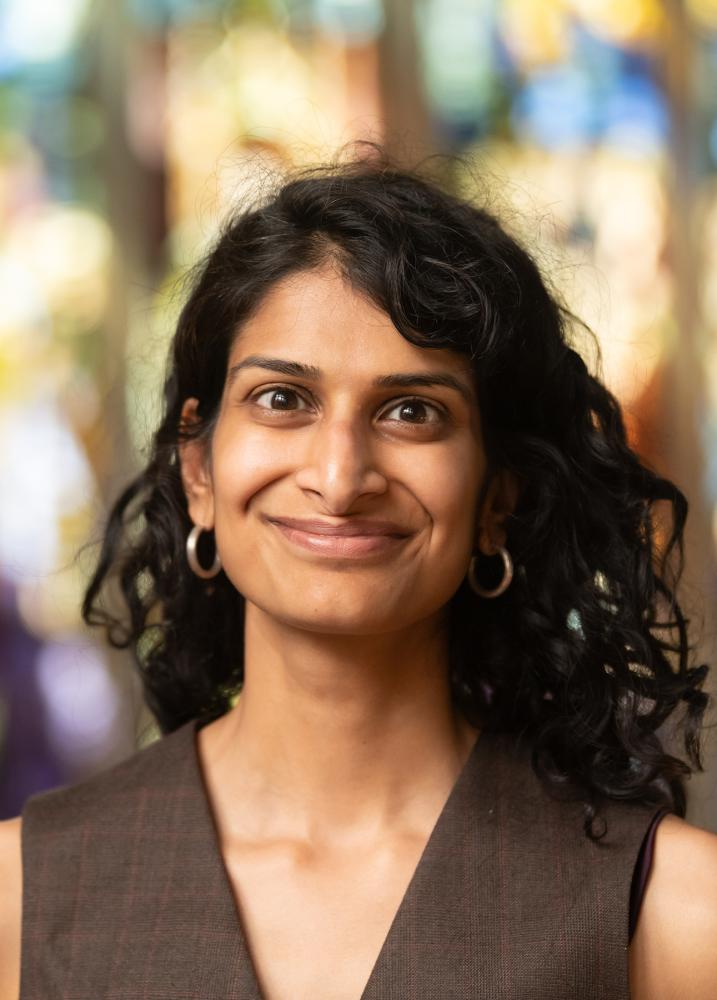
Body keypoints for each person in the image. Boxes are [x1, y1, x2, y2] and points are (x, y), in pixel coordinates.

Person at [1, 144, 716, 999]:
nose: (339, 479)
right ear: (198, 471)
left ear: (497, 498)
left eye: (411, 411)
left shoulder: (673, 913)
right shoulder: (22, 897)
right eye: (281, 399)